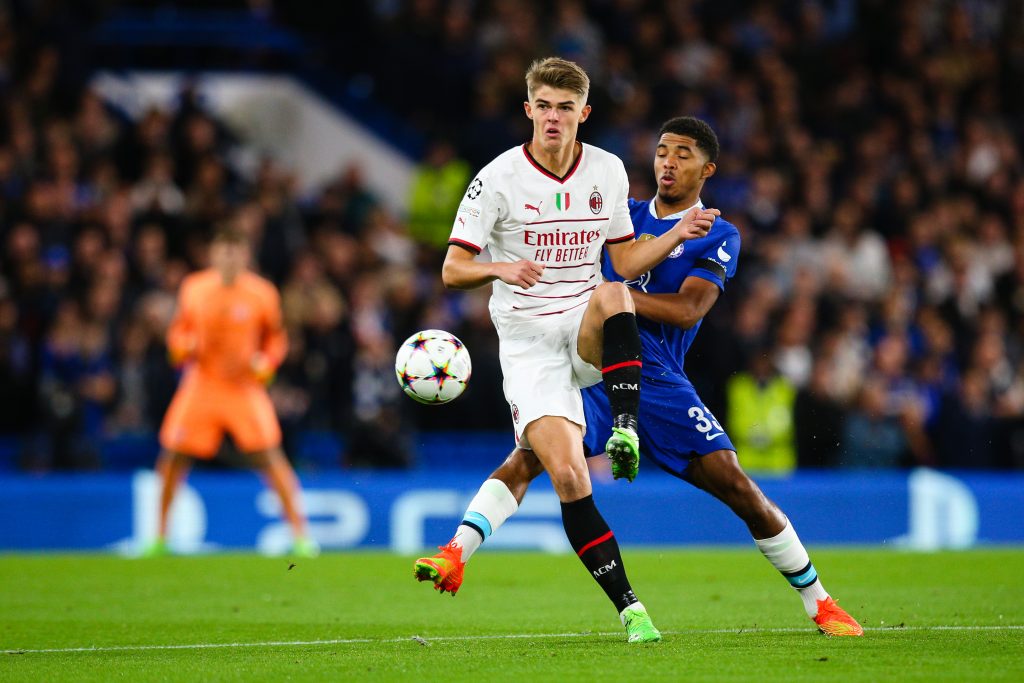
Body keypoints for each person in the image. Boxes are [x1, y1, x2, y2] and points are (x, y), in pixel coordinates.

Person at [422, 116, 863, 637]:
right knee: (534, 457)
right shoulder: (623, 213)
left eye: (682, 154)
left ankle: (820, 601)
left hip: (657, 376)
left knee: (736, 485)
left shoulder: (717, 233)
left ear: (708, 169)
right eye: (661, 152)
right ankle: (456, 552)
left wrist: (618, 297)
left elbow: (688, 310)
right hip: (594, 363)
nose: (668, 163)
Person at [413, 58, 718, 644]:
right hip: (529, 344)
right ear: (529, 110)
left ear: (584, 112)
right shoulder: (496, 179)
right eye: (545, 107)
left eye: (566, 107)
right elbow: (452, 269)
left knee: (614, 292)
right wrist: (501, 267)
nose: (554, 118)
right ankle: (632, 611)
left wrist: (677, 233)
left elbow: (624, 260)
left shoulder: (606, 169)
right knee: (570, 476)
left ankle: (625, 429)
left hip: (584, 323)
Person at [143, 227, 319, 558]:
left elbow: (276, 338)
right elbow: (178, 331)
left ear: (245, 256)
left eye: (236, 251)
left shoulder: (262, 293)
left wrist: (268, 361)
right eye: (224, 251)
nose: (230, 258)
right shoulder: (194, 288)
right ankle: (158, 538)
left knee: (269, 456)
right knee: (173, 457)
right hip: (202, 383)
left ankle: (301, 537)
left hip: (243, 387)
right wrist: (181, 346)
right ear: (213, 254)